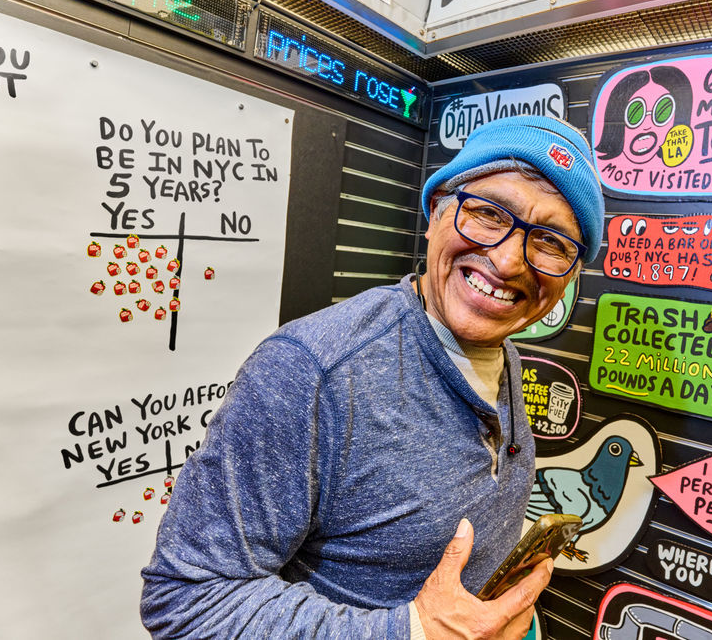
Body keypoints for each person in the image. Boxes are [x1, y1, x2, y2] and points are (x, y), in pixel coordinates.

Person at [140, 115, 605, 639]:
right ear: (435, 212)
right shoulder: (312, 370)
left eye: (551, 244)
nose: (508, 261)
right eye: (489, 214)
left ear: (571, 275)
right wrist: (413, 631)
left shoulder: (503, 352)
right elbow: (187, 600)